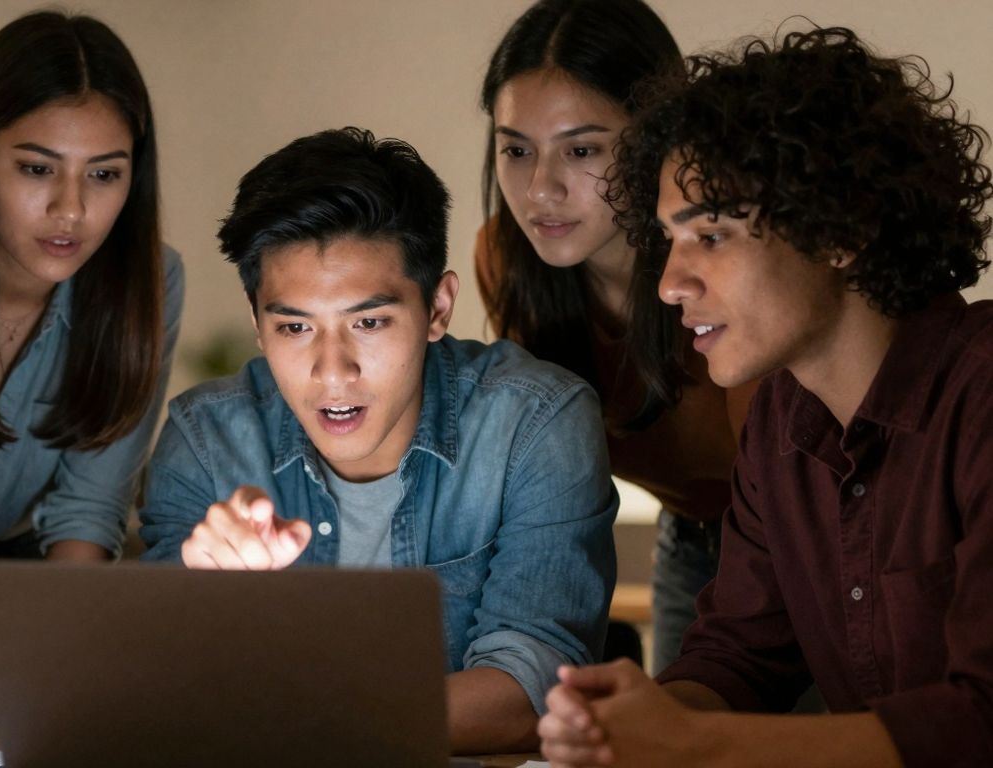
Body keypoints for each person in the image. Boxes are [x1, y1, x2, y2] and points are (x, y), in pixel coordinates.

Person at [538, 26, 993, 767]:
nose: (669, 284)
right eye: (668, 241)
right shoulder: (779, 420)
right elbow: (737, 660)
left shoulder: (982, 392)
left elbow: (981, 724)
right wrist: (628, 724)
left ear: (841, 229)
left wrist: (688, 741)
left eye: (710, 235)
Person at [140, 127, 618, 754]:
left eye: (368, 322)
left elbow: (531, 690)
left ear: (439, 308)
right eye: (294, 327)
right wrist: (196, 601)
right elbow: (152, 687)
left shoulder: (537, 425)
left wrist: (307, 722)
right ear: (257, 320)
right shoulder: (205, 439)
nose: (332, 371)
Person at [475, 0, 755, 673]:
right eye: (516, 149)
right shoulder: (507, 262)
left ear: (655, 138)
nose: (541, 189)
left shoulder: (729, 266)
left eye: (581, 149)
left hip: (805, 543)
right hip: (688, 540)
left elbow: (785, 489)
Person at [0, 10, 184, 566]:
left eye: (104, 174)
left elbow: (90, 505)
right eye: (37, 169)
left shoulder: (150, 279)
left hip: (27, 575)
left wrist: (56, 647)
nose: (72, 210)